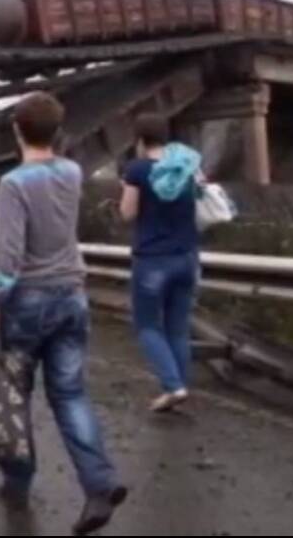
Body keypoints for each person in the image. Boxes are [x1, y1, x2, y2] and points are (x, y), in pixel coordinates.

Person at [0, 92, 126, 536]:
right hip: (72, 297)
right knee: (70, 394)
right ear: (58, 132)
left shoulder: (15, 184)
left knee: (13, 397)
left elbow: (8, 258)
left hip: (29, 304)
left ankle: (17, 480)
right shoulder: (72, 172)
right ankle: (100, 483)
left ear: (17, 130)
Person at [120, 113, 201, 413]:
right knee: (177, 329)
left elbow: (127, 212)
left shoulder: (138, 169)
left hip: (153, 259)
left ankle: (173, 385)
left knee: (147, 327)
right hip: (187, 257)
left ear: (140, 141)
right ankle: (178, 387)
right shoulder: (185, 168)